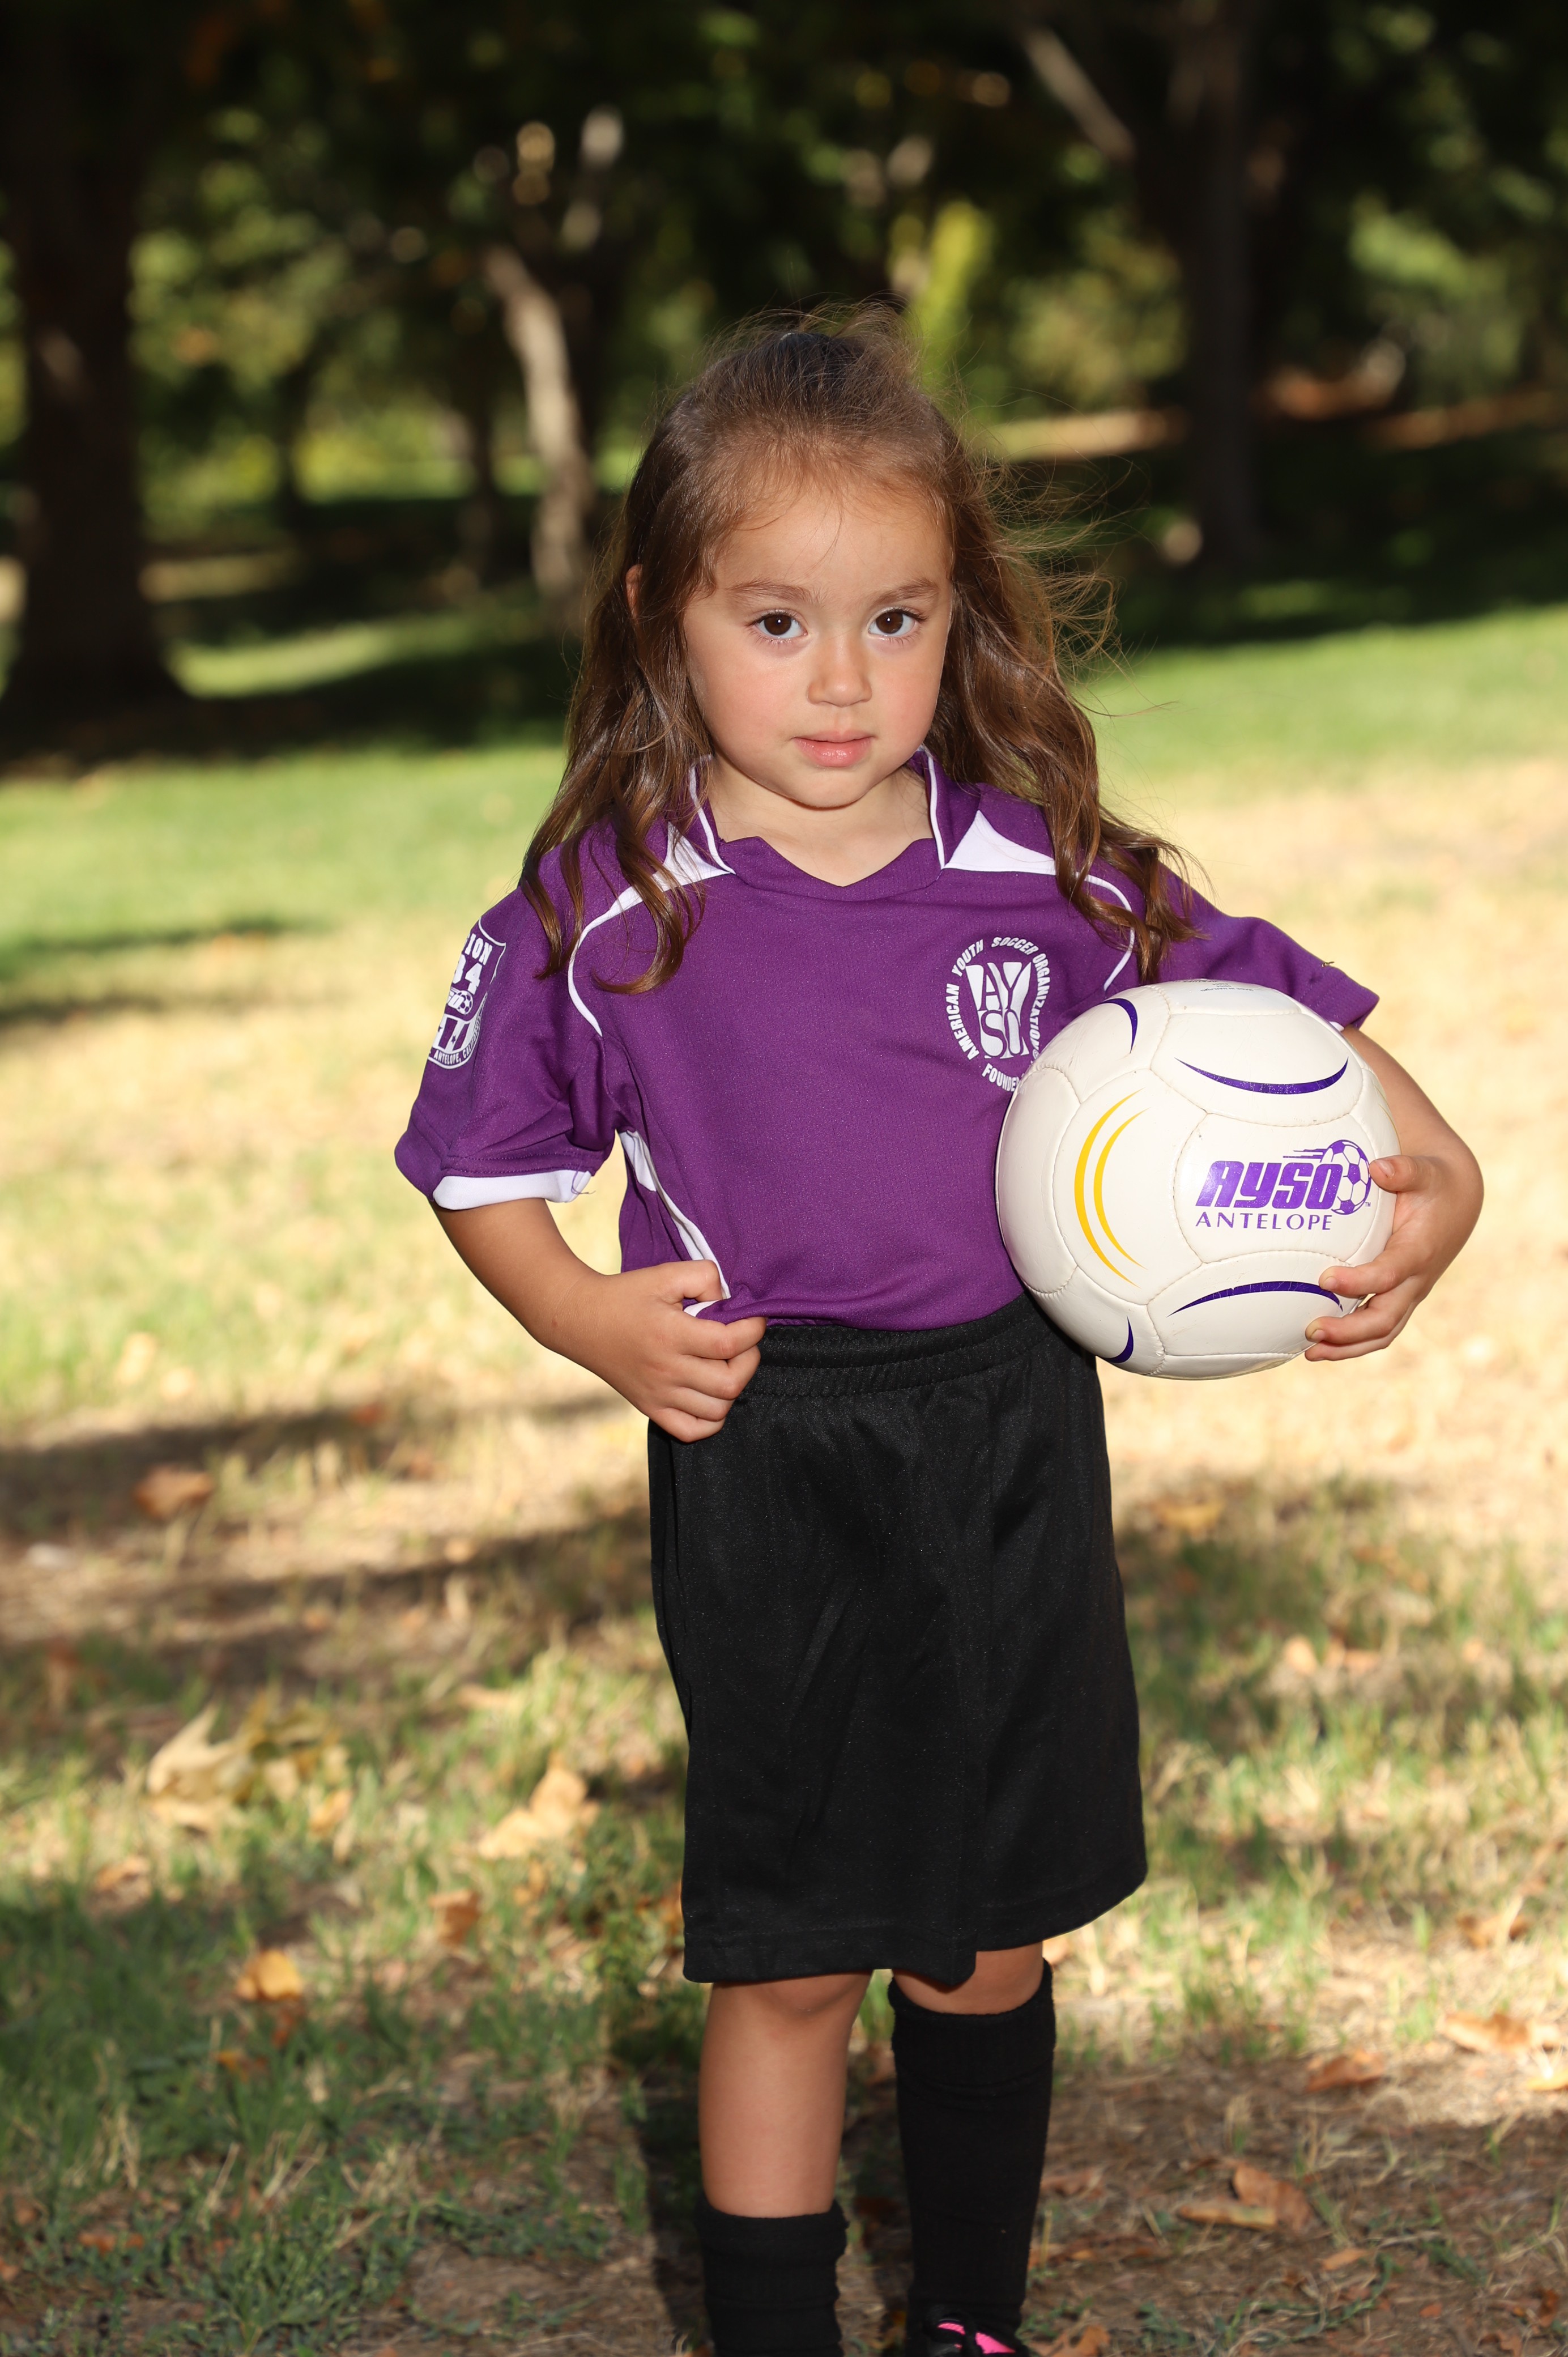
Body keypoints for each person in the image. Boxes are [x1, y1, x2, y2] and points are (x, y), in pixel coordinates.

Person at [395, 319, 1481, 2357]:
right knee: (796, 1958)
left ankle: (970, 2321)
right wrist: (593, 1321)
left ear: (957, 616)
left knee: (986, 1935)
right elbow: (477, 1163)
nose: (840, 680)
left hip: (1011, 1435)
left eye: (894, 620)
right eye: (776, 621)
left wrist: (1447, 1181)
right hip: (773, 1452)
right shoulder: (609, 906)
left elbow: (1289, 1022)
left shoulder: (1040, 870)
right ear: (658, 614)